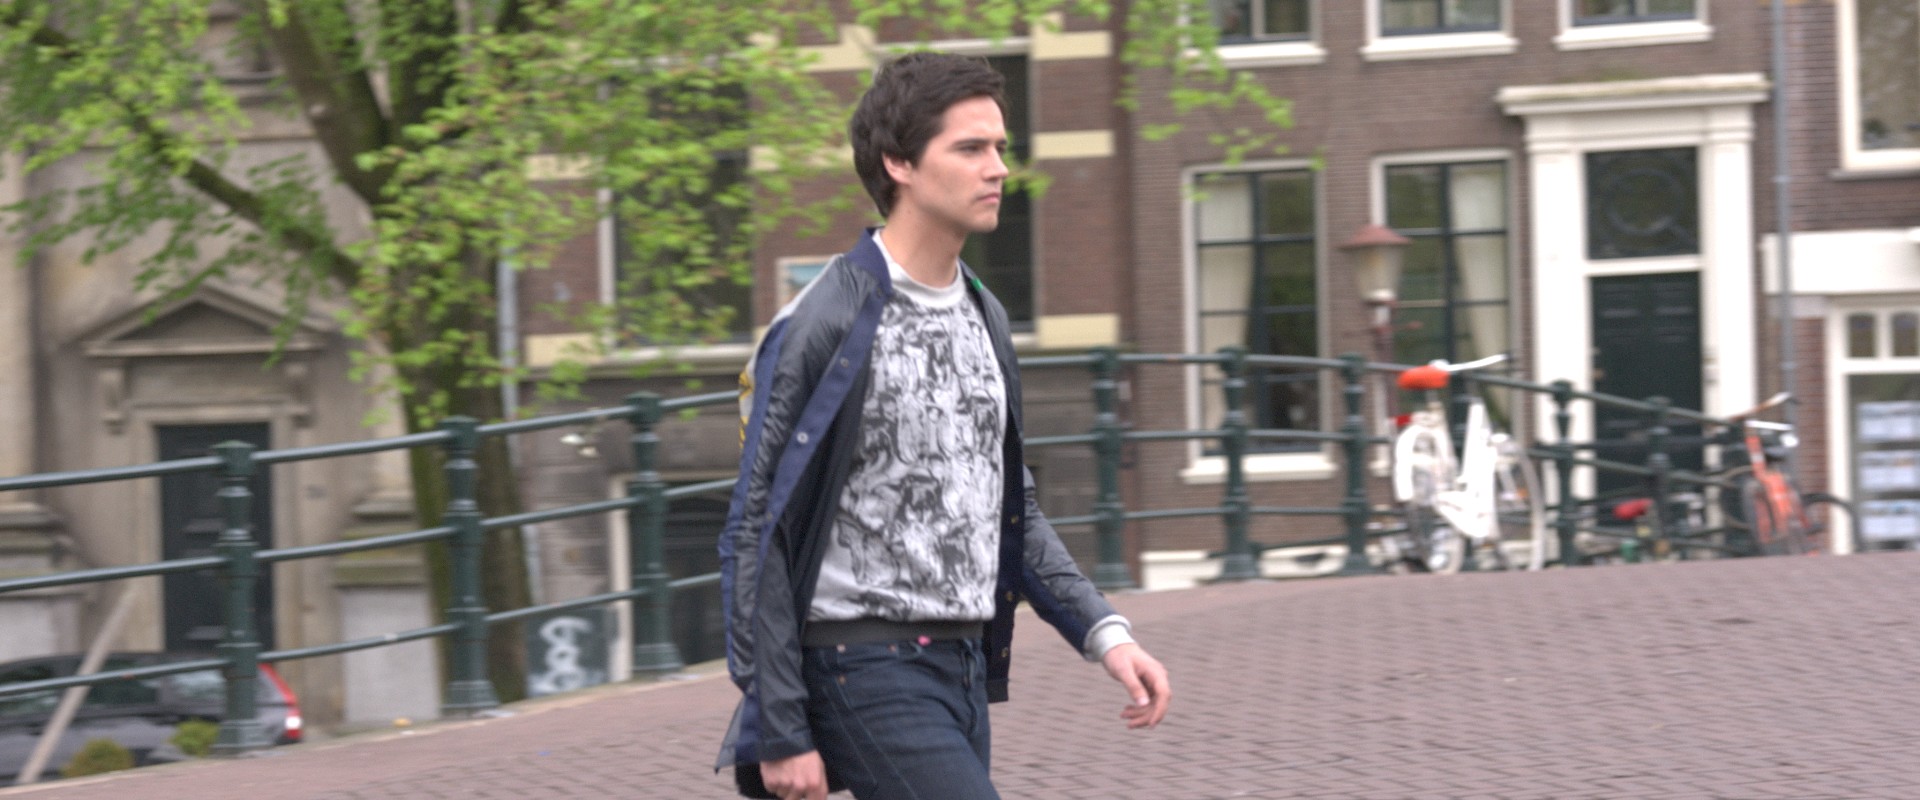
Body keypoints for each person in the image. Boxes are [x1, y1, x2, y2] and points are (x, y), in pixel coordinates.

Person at [713, 51, 1171, 800]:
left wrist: (1105, 634)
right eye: (970, 148)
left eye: (1000, 147)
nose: (999, 168)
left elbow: (1006, 508)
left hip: (962, 666)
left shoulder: (985, 315)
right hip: (861, 664)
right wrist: (780, 725)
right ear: (899, 163)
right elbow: (757, 528)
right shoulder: (822, 323)